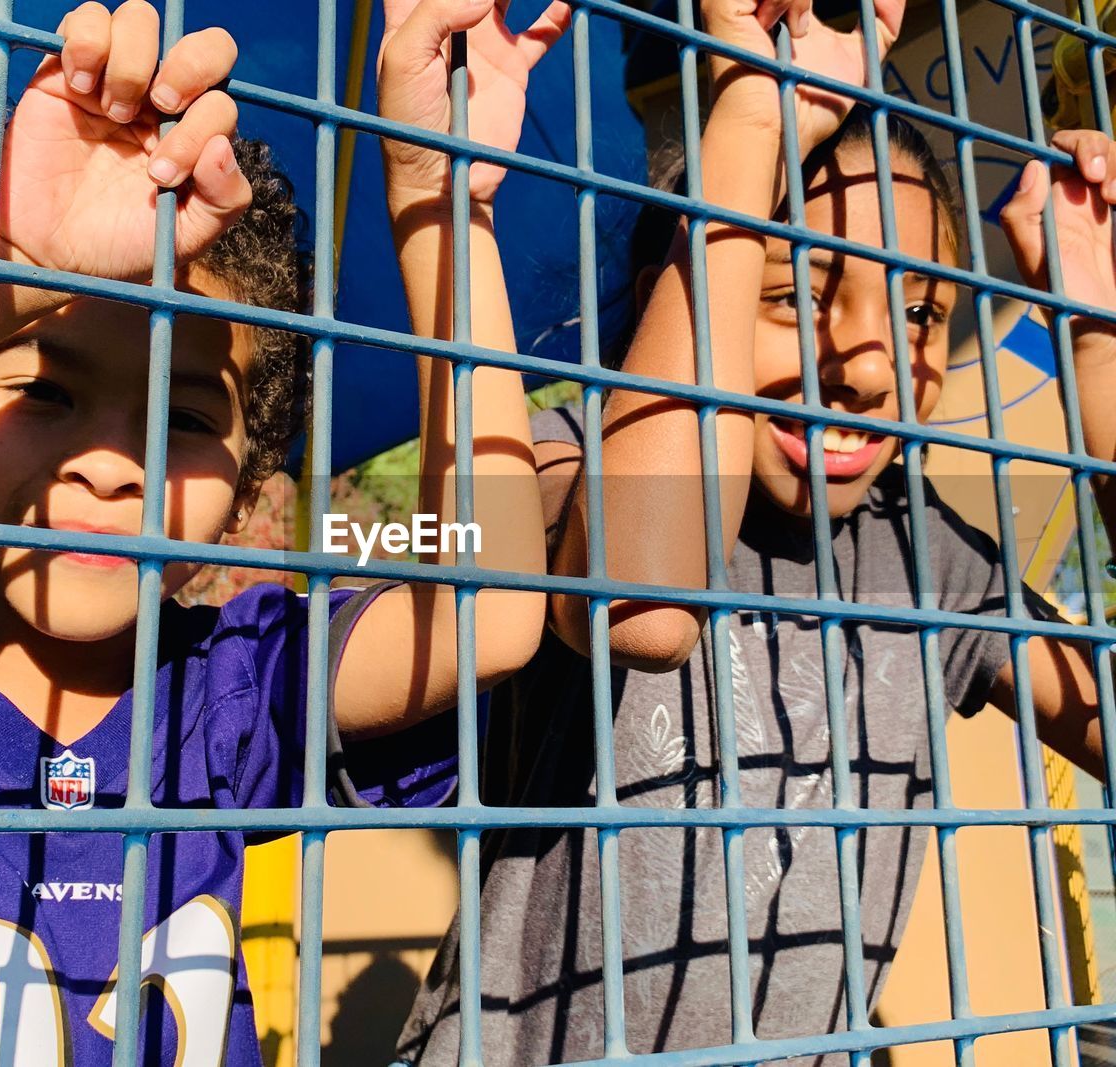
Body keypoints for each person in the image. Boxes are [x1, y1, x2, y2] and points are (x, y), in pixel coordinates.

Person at [379, 0, 1116, 1062]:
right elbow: (638, 596)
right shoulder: (561, 454)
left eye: (915, 314)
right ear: (677, 290)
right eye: (793, 292)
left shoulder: (925, 557)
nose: (866, 364)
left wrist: (1094, 347)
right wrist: (751, 126)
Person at [0, 2, 547, 1063]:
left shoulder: (231, 690)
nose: (114, 463)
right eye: (44, 391)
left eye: (185, 419)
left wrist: (438, 206)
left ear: (244, 489)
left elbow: (485, 612)